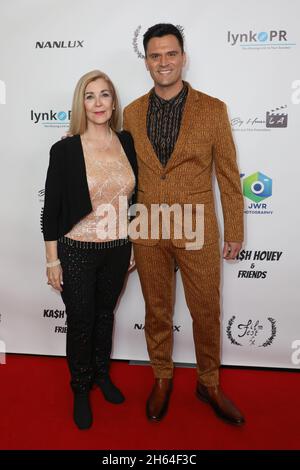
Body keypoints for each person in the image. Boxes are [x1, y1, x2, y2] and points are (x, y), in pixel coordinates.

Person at [124, 24, 245, 425]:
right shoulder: (132, 112)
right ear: (146, 62)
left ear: (183, 57)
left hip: (198, 227)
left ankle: (208, 382)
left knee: (206, 309)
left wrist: (236, 230)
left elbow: (228, 176)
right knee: (156, 309)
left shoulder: (213, 109)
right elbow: (127, 174)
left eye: (170, 53)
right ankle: (162, 376)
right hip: (147, 227)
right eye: (155, 55)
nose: (164, 62)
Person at [42, 70, 138, 430]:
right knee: (81, 322)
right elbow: (51, 210)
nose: (98, 103)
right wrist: (52, 260)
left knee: (105, 316)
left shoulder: (126, 141)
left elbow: (134, 197)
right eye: (90, 96)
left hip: (117, 249)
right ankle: (80, 388)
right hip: (77, 249)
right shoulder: (66, 148)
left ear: (114, 103)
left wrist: (130, 242)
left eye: (105, 95)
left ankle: (101, 375)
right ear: (81, 103)